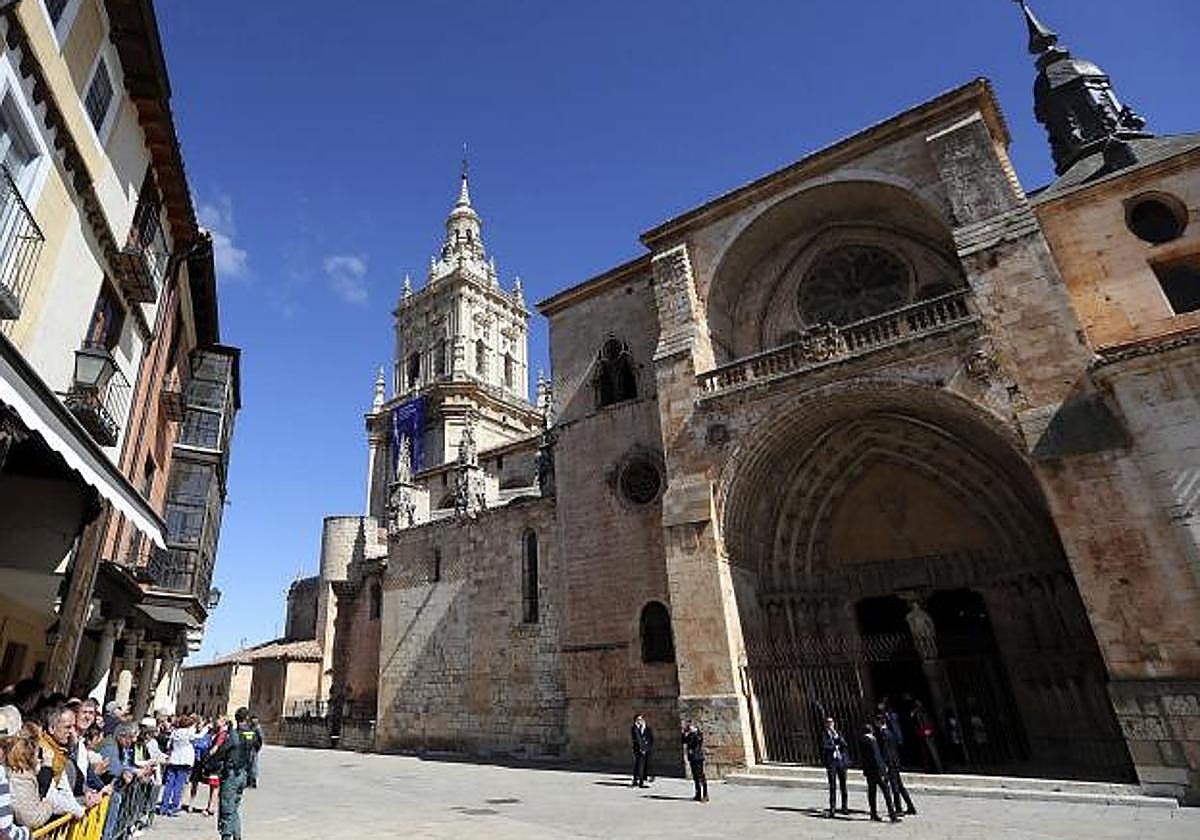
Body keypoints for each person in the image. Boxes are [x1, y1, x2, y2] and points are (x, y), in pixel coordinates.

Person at [209, 708, 261, 840]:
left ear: (237, 719)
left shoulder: (234, 735)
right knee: (234, 807)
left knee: (227, 807)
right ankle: (237, 836)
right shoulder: (251, 734)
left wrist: (211, 763)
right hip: (243, 774)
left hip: (232, 774)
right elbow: (257, 746)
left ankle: (226, 836)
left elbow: (222, 752)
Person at [876, 713, 916, 815]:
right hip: (895, 762)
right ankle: (910, 806)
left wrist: (884, 764)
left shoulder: (883, 734)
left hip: (891, 763)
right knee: (900, 785)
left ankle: (898, 808)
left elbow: (885, 751)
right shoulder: (890, 732)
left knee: (895, 786)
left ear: (879, 722)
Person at [859, 721, 899, 823]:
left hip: (869, 772)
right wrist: (882, 771)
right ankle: (892, 815)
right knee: (887, 792)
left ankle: (873, 813)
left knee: (872, 793)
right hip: (877, 771)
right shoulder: (872, 740)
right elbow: (876, 757)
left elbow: (864, 758)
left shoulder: (862, 740)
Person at [160, 714, 196, 816]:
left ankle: (164, 805)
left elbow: (169, 745)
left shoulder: (174, 733)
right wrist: (206, 728)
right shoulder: (189, 732)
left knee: (169, 783)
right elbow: (198, 737)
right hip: (184, 761)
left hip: (174, 759)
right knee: (179, 784)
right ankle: (174, 806)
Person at [818, 716, 849, 817]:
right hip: (831, 762)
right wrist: (834, 747)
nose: (830, 724)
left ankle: (844, 806)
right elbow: (824, 746)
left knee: (843, 784)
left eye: (831, 722)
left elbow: (845, 744)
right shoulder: (824, 734)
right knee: (832, 785)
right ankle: (832, 807)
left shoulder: (838, 733)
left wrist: (837, 737)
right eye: (828, 722)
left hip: (840, 761)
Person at [909, 699, 942, 773]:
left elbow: (928, 722)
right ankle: (930, 768)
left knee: (933, 751)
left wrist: (929, 730)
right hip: (922, 734)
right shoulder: (915, 713)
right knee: (926, 752)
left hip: (928, 733)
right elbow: (916, 724)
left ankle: (939, 768)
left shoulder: (924, 712)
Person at [680, 721, 707, 803]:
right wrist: (683, 733)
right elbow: (684, 741)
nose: (689, 728)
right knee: (695, 777)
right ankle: (698, 794)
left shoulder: (698, 734)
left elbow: (698, 741)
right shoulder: (689, 734)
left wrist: (694, 732)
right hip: (692, 758)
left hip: (698, 758)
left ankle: (705, 795)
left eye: (691, 726)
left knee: (701, 776)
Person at [629, 714, 653, 789]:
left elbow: (650, 738)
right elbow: (638, 739)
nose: (640, 721)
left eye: (641, 719)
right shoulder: (634, 728)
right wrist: (642, 749)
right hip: (638, 749)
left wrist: (647, 747)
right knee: (640, 765)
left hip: (645, 749)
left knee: (639, 765)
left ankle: (636, 780)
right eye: (638, 719)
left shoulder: (645, 728)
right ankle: (640, 782)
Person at [246, 716, 263, 789]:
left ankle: (253, 781)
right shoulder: (250, 727)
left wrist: (257, 748)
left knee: (253, 765)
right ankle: (249, 780)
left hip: (253, 748)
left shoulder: (257, 728)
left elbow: (260, 738)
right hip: (248, 748)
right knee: (249, 764)